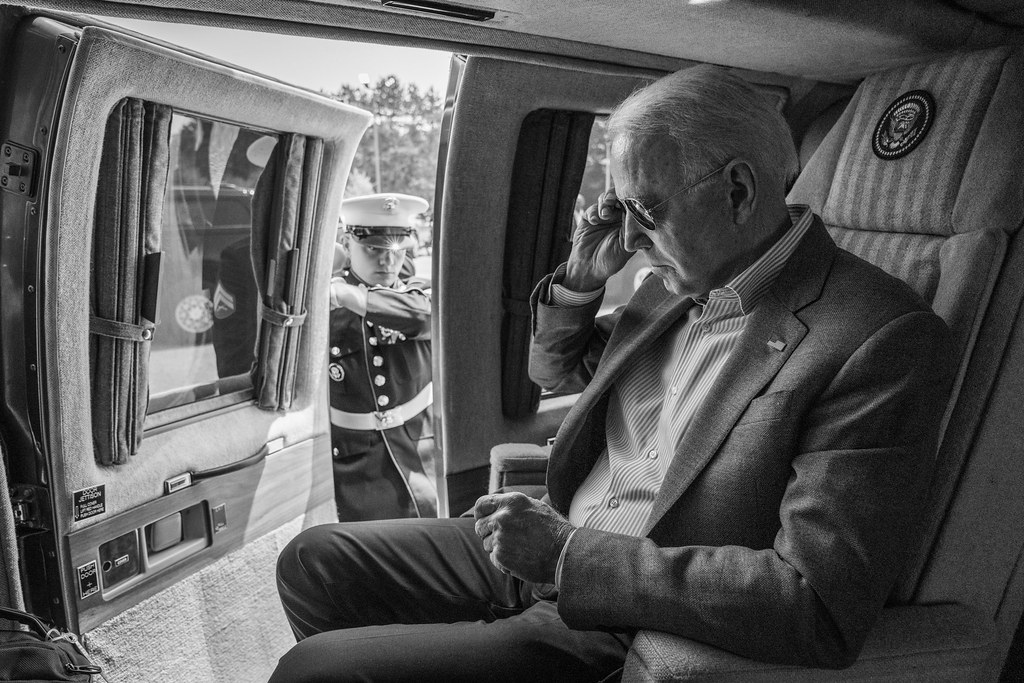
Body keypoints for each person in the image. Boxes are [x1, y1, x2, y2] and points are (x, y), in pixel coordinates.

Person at [270, 65, 955, 681]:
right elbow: (550, 366)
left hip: (625, 611)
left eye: (644, 211)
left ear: (738, 191)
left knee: (318, 670)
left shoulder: (878, 337)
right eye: (620, 210)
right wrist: (580, 276)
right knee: (312, 562)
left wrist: (570, 557)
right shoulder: (671, 280)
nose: (628, 239)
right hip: (555, 529)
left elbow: (813, 601)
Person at [327, 193, 436, 522]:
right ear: (347, 242)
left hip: (420, 445)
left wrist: (354, 298)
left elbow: (426, 317)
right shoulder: (325, 298)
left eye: (396, 250)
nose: (387, 263)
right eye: (373, 249)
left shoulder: (417, 291)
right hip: (356, 458)